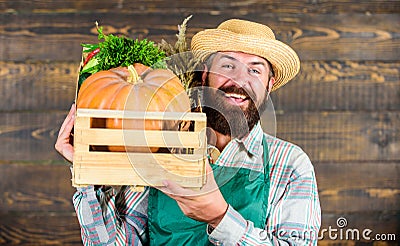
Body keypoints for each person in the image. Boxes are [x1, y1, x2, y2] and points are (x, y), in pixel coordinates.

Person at [56, 19, 321, 245]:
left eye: (254, 70)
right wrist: (87, 174)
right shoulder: (160, 147)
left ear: (269, 85)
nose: (239, 80)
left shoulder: (290, 164)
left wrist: (220, 217)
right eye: (228, 66)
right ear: (204, 75)